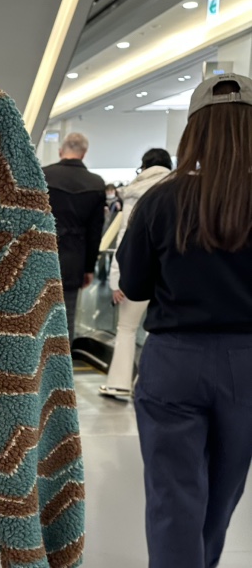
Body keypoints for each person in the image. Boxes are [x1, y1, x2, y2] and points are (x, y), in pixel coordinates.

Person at [118, 73, 252, 568]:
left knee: (175, 493)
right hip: (247, 360)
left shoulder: (162, 200)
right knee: (225, 485)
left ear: (193, 130)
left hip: (175, 361)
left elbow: (135, 284)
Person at [99, 148, 173, 400]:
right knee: (157, 331)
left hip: (138, 273)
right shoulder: (179, 190)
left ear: (143, 166)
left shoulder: (135, 192)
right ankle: (150, 383)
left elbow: (125, 239)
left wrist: (116, 280)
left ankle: (119, 384)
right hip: (168, 276)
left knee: (127, 328)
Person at [43, 133, 107, 345]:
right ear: (84, 153)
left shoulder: (43, 175)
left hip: (42, 254)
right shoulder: (96, 183)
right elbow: (95, 232)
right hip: (74, 259)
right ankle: (61, 363)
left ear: (61, 151)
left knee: (36, 314)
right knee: (66, 318)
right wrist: (89, 267)